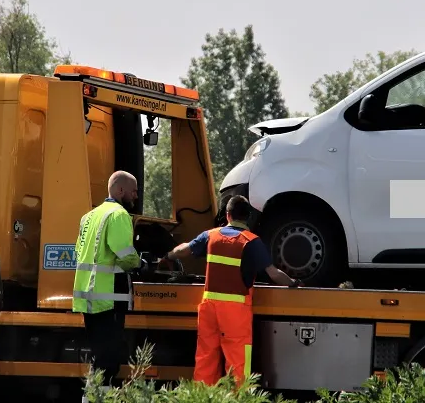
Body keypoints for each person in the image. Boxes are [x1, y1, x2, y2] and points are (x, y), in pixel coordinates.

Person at [158, 194, 302, 386]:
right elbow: (274, 274)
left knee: (205, 358)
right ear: (248, 217)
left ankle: (202, 398)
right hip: (235, 312)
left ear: (228, 215)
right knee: (237, 362)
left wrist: (167, 256)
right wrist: (293, 283)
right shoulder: (251, 242)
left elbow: (184, 250)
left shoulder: (210, 236)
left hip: (209, 309)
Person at [73, 170, 142, 400]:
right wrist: (141, 263)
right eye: (133, 192)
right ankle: (96, 399)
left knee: (99, 357)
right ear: (120, 190)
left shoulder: (89, 216)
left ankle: (93, 398)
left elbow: (79, 253)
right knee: (108, 360)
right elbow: (125, 254)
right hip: (108, 298)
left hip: (88, 296)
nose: (135, 197)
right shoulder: (118, 215)